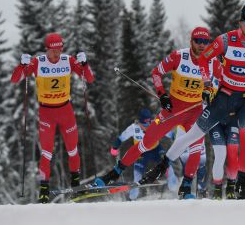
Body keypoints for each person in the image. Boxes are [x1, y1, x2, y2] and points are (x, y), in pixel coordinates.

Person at [139, 3, 245, 200]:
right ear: (240, 23)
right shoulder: (227, 40)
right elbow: (203, 59)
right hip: (224, 96)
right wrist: (208, 85)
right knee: (193, 134)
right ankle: (162, 166)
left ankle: (242, 187)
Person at [94, 27, 222, 199]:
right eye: (198, 41)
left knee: (196, 148)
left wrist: (216, 94)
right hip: (174, 108)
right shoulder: (179, 56)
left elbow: (224, 82)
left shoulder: (213, 62)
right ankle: (115, 173)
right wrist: (162, 95)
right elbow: (156, 73)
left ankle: (185, 188)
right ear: (191, 41)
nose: (202, 45)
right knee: (147, 141)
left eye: (205, 42)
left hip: (195, 111)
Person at [11, 32, 94, 203]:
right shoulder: (38, 62)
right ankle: (44, 189)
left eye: (60, 50)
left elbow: (89, 78)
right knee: (46, 153)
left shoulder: (68, 60)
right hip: (47, 113)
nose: (57, 54)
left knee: (72, 150)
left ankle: (76, 184)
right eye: (54, 51)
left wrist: (85, 64)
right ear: (47, 50)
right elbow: (15, 79)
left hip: (66, 111)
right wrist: (21, 65)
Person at [110, 109, 179, 200]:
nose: (147, 127)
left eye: (148, 124)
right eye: (144, 125)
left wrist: (177, 138)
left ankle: (174, 187)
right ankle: (132, 196)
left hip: (155, 149)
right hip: (141, 152)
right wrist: (114, 148)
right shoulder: (133, 128)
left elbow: (167, 131)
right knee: (137, 174)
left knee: (167, 164)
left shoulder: (155, 122)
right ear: (139, 122)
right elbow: (121, 138)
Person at [211, 83, 245, 200]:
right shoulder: (214, 72)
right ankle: (217, 189)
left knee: (232, 152)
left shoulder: (243, 76)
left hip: (232, 121)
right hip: (216, 122)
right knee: (220, 153)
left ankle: (231, 187)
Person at [168, 125, 208, 199]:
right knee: (185, 169)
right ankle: (182, 193)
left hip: (198, 140)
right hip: (184, 149)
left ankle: (201, 191)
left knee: (200, 167)